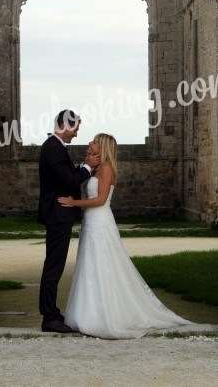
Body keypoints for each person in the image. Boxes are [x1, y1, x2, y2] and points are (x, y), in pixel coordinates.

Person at [58, 133, 201, 339]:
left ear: (103, 147)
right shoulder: (95, 167)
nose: (92, 143)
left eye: (95, 142)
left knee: (103, 265)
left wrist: (73, 203)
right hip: (90, 222)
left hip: (100, 220)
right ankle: (88, 313)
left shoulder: (107, 168)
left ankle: (106, 316)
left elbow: (100, 200)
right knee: (88, 264)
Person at [38, 110, 100, 333]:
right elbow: (69, 180)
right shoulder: (53, 147)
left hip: (59, 213)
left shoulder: (55, 147)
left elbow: (66, 177)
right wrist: (87, 167)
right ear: (65, 125)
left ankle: (51, 312)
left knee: (55, 264)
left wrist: (83, 167)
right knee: (54, 266)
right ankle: (49, 317)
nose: (76, 134)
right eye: (75, 128)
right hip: (57, 213)